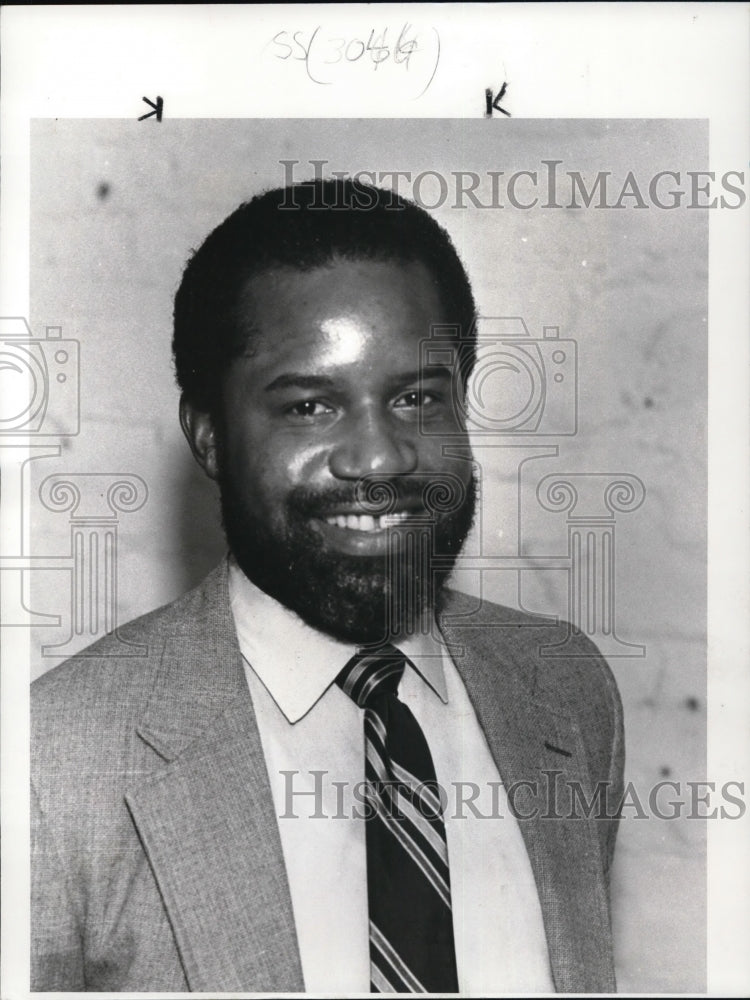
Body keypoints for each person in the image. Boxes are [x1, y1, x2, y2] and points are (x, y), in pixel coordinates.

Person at [31, 179, 624, 994]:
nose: (379, 459)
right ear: (208, 435)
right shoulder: (51, 764)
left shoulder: (566, 690)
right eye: (310, 406)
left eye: (418, 397)